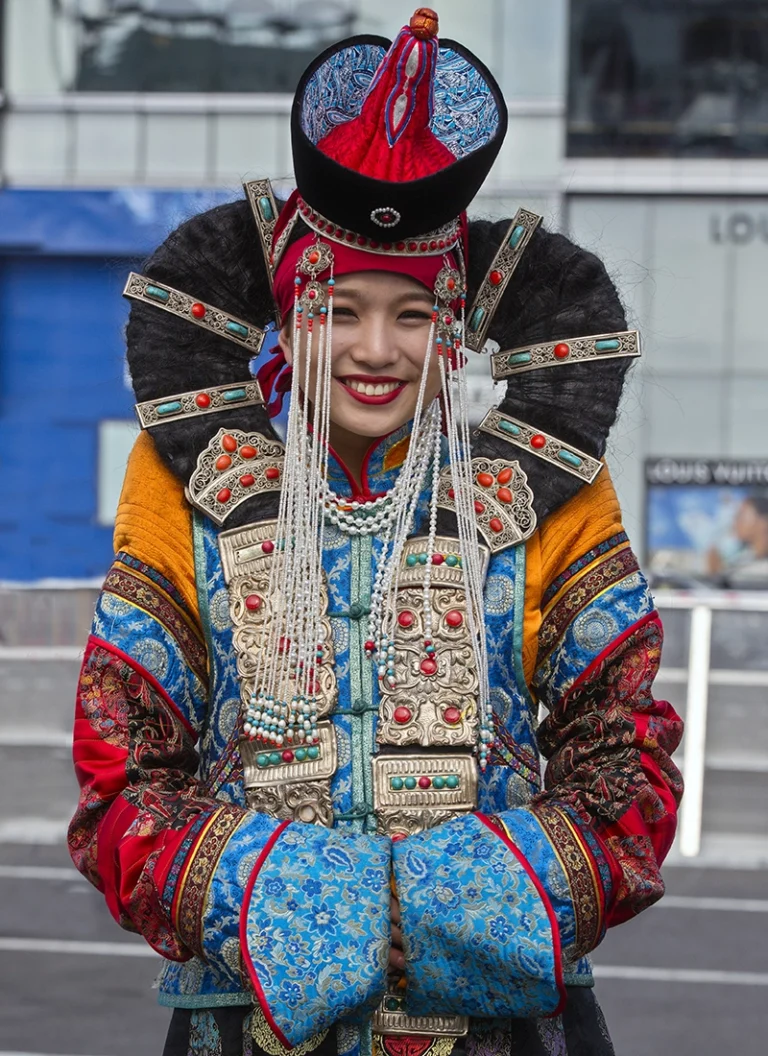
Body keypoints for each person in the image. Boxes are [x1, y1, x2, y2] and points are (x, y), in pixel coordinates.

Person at [68, 9, 683, 1056]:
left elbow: (628, 758)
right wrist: (294, 904)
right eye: (338, 308)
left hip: (499, 1032)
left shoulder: (552, 491)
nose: (375, 349)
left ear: (455, 330)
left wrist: (448, 904)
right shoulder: (183, 485)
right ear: (285, 313)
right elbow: (122, 769)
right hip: (245, 1024)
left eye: (412, 315)